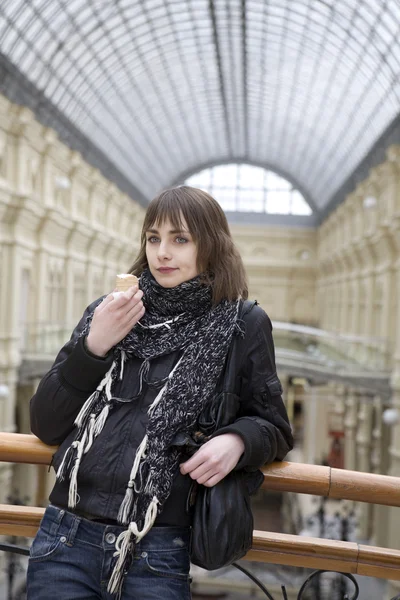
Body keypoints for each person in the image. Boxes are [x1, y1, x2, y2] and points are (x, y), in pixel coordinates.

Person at [27, 185, 293, 600]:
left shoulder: (244, 324)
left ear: (212, 245)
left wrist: (237, 441)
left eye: (180, 239)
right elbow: (45, 423)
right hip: (65, 538)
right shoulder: (112, 310)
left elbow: (274, 426)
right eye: (154, 238)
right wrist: (94, 347)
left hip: (157, 549)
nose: (162, 253)